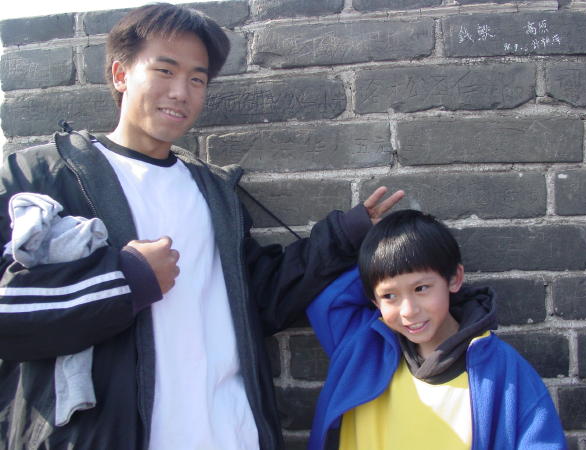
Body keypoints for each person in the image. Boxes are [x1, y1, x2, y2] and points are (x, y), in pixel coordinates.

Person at [0, 4, 404, 450]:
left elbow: (260, 300)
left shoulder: (214, 193)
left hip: (232, 435)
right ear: (120, 74)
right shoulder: (41, 177)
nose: (181, 92)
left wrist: (346, 234)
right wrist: (126, 280)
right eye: (165, 71)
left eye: (197, 79)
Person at [306, 209, 567, 450]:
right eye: (389, 296)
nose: (408, 310)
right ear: (373, 300)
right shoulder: (361, 345)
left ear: (454, 279)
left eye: (421, 288)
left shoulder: (501, 370)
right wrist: (366, 241)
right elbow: (326, 300)